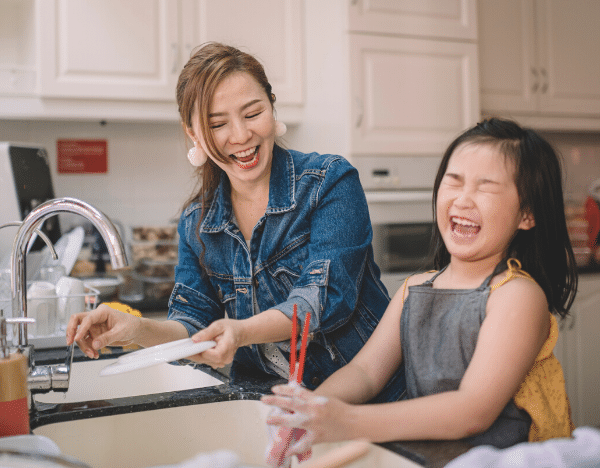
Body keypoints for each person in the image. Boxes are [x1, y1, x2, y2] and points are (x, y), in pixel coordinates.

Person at [66, 42, 403, 401]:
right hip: (270, 405)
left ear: (272, 107)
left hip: (369, 399)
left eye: (252, 113)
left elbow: (319, 300)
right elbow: (193, 325)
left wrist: (240, 332)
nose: (241, 136)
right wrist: (137, 329)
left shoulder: (329, 182)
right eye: (217, 124)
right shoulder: (197, 221)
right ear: (193, 133)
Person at [262, 117, 579, 459]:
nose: (462, 199)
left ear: (527, 213)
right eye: (453, 181)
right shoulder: (414, 289)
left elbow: (472, 411)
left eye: (485, 187)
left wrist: (349, 420)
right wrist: (310, 409)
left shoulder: (517, 296)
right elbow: (365, 373)